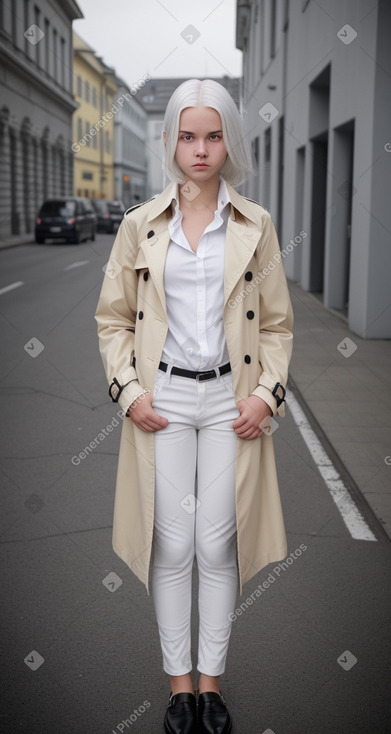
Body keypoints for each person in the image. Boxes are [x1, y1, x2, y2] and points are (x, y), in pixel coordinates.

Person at [94, 78, 294, 734]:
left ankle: (211, 687)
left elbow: (275, 325)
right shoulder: (139, 225)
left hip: (231, 398)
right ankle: (178, 688)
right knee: (172, 543)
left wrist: (267, 394)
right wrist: (128, 392)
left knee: (217, 543)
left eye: (212, 135)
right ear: (170, 141)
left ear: (227, 140)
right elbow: (113, 319)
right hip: (166, 398)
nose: (200, 149)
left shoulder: (255, 225)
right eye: (187, 136)